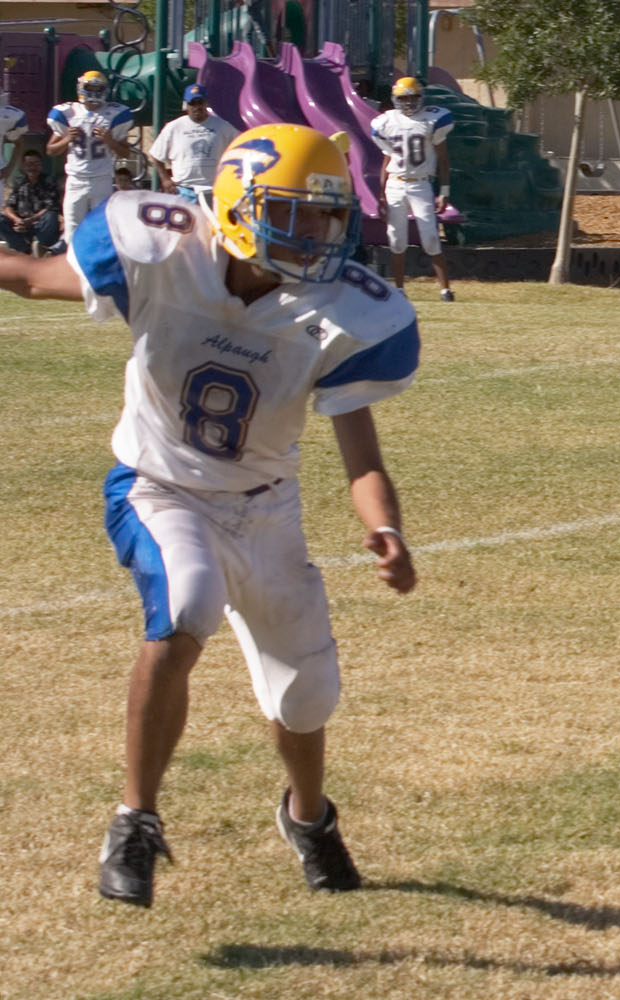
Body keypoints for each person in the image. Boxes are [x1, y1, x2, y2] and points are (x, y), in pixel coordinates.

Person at [0, 123, 420, 908]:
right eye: (291, 214)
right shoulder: (164, 253)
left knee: (306, 696)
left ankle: (308, 818)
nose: (312, 235)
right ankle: (136, 818)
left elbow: (361, 452)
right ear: (235, 206)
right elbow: (27, 277)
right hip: (159, 487)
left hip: (267, 511)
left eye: (325, 218)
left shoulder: (341, 312)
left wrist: (386, 527)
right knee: (185, 604)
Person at [371, 76, 455, 301]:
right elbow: (386, 161)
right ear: (395, 99)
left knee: (430, 238)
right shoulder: (386, 122)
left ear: (421, 98)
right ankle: (399, 289)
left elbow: (443, 159)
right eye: (403, 98)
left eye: (413, 98)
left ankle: (445, 289)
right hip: (395, 184)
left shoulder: (432, 119)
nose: (408, 103)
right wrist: (380, 195)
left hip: (421, 184)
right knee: (396, 240)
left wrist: (444, 191)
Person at [46, 69, 134, 254]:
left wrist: (110, 141)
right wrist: (66, 139)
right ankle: (71, 270)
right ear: (81, 88)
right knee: (72, 230)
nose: (94, 93)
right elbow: (50, 150)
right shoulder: (69, 113)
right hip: (76, 180)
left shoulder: (113, 114)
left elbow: (126, 153)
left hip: (101, 179)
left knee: (101, 229)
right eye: (90, 88)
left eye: (97, 88)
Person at [147, 83, 239, 201]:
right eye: (192, 103)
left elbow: (237, 150)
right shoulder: (174, 127)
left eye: (200, 102)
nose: (196, 107)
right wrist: (165, 180)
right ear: (186, 105)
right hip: (183, 190)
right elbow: (155, 156)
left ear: (206, 103)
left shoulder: (223, 126)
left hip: (214, 190)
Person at [0, 149, 62, 255]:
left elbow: (51, 206)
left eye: (36, 164)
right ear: (23, 166)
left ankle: (42, 247)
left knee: (51, 215)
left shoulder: (48, 181)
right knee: (1, 220)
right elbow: (9, 206)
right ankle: (23, 250)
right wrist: (17, 220)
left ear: (41, 165)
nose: (32, 167)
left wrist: (31, 220)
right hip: (22, 225)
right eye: (29, 164)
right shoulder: (19, 182)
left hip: (41, 225)